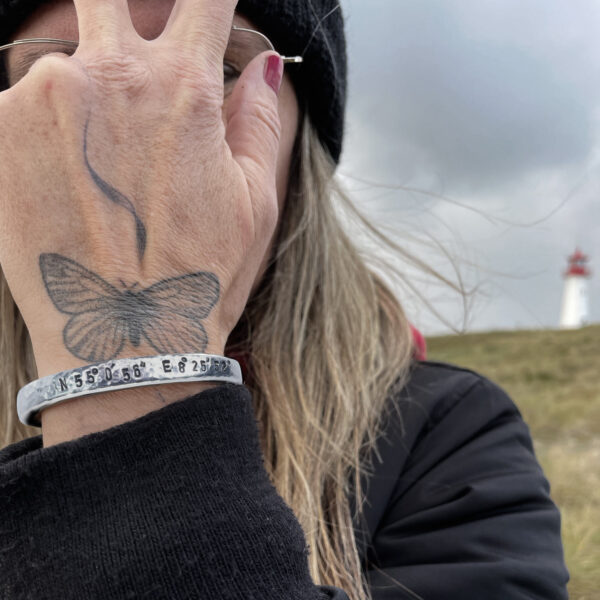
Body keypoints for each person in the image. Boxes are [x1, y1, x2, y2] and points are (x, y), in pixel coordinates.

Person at [0, 1, 569, 599]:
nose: (132, 125)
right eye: (55, 72)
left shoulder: (448, 437)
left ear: (301, 145)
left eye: (218, 67)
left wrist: (123, 395)